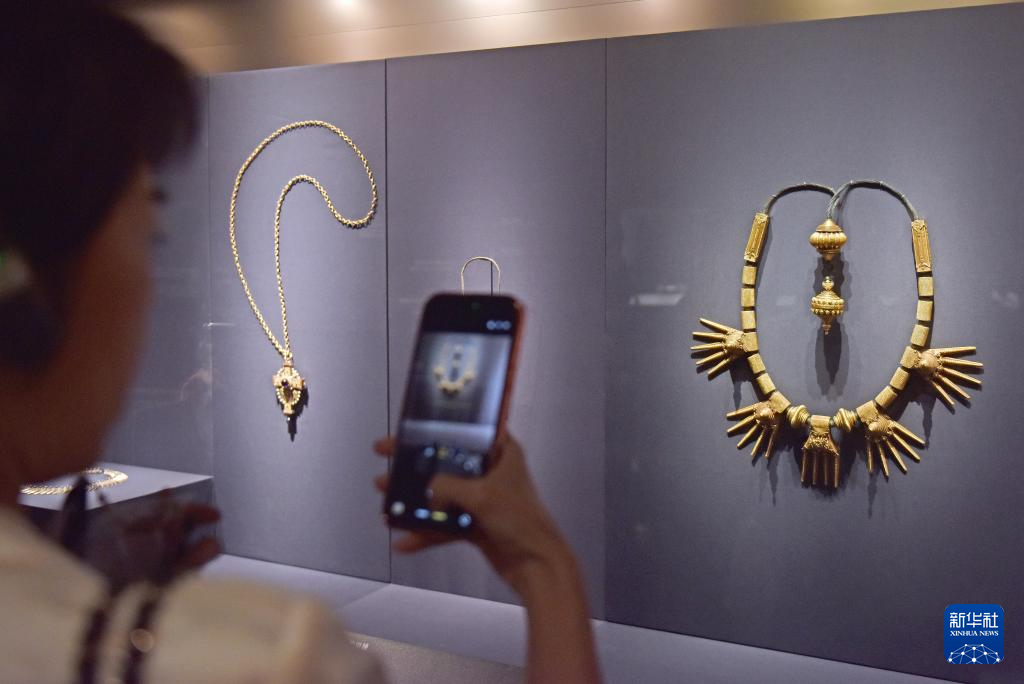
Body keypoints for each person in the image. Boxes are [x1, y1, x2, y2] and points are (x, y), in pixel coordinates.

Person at [0, 4, 601, 683]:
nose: (150, 283)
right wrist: (545, 566)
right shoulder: (279, 658)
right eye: (149, 237)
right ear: (32, 287)